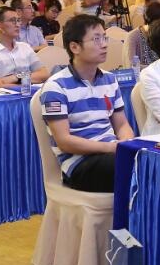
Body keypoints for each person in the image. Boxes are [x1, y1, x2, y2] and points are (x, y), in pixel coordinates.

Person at [40, 14, 134, 193]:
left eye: (104, 38)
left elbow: (122, 124)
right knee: (133, 166)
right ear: (74, 47)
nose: (104, 44)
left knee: (152, 161)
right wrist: (110, 148)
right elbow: (64, 141)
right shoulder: (56, 86)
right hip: (79, 164)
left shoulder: (110, 79)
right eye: (96, 39)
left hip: (110, 154)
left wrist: (126, 144)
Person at [0, 5, 50, 87]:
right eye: (12, 21)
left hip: (31, 93)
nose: (18, 25)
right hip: (8, 95)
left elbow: (44, 74)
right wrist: (26, 83)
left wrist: (17, 77)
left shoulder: (25, 47)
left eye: (18, 20)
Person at [126, 1, 160, 68]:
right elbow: (131, 65)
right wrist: (157, 68)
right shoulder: (133, 36)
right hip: (144, 74)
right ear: (152, 22)